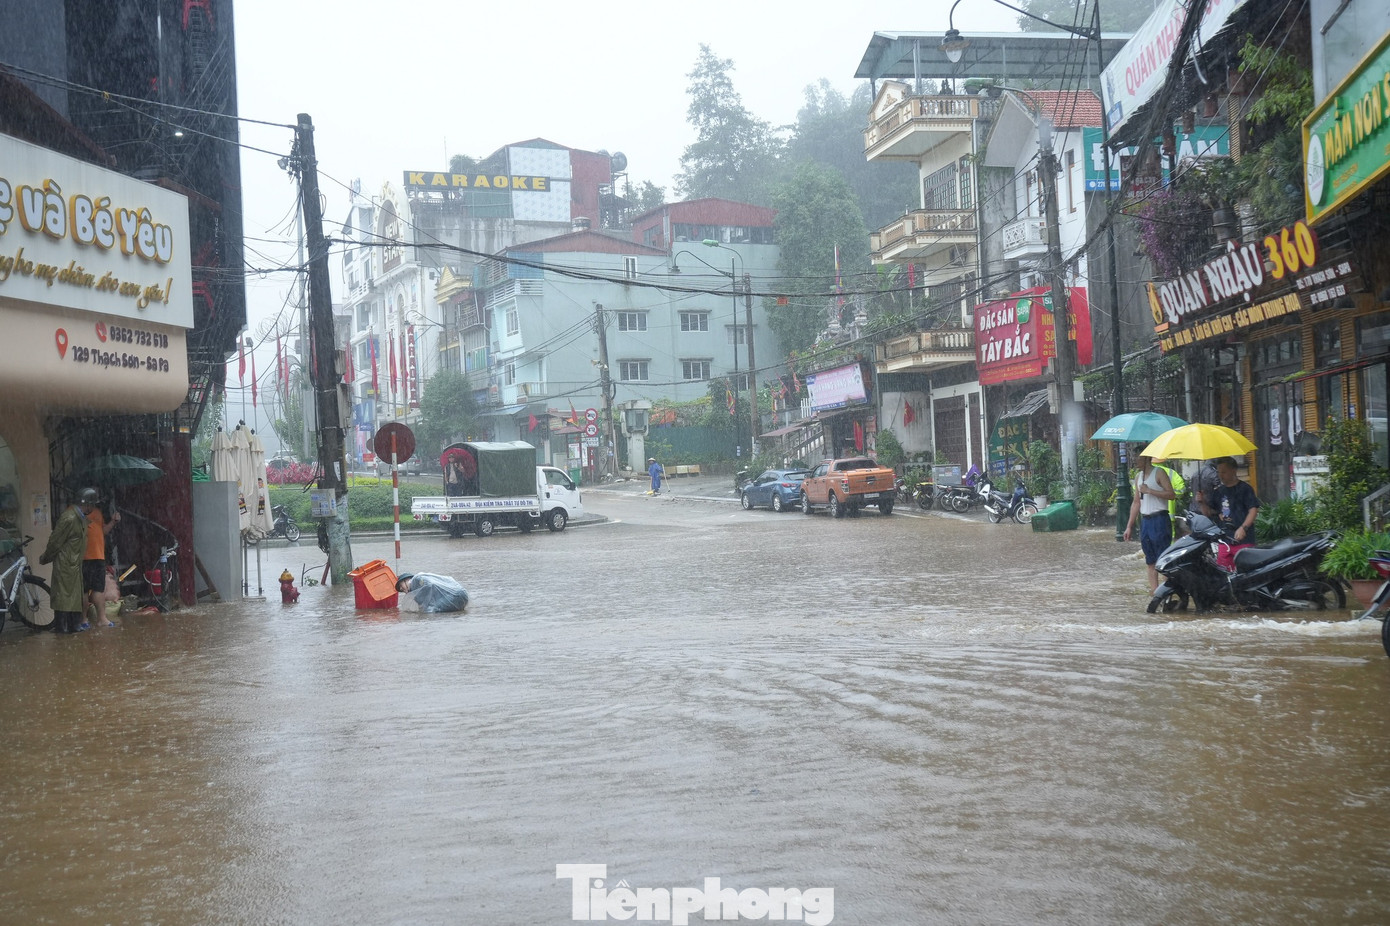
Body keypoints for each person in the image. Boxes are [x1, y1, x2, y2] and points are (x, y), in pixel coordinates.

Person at [40, 487, 98, 633]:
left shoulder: (80, 518)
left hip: (74, 565)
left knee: (72, 598)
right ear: (87, 504)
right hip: (65, 565)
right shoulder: (69, 518)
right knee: (63, 599)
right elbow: (55, 541)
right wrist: (46, 558)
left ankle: (73, 627)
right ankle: (63, 630)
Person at [1123, 453, 1175, 593]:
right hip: (1145, 521)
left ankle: (1167, 592)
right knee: (1150, 560)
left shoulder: (1159, 473)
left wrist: (1150, 491)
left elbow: (1171, 494)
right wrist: (1129, 526)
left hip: (1160, 519)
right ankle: (1155, 592)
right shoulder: (1138, 477)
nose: (1135, 461)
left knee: (1162, 559)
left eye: (1138, 458)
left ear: (1146, 459)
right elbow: (1136, 502)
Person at [1203, 456, 1261, 546]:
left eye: (1224, 472)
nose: (1220, 475)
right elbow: (1208, 513)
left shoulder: (1245, 489)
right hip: (1224, 541)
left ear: (1234, 470)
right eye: (1219, 472)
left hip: (1244, 540)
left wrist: (1243, 528)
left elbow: (1253, 510)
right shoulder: (1218, 491)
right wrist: (1201, 502)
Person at [83, 496, 120, 628]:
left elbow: (102, 531)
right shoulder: (74, 513)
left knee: (98, 588)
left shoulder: (97, 513)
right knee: (84, 590)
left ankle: (101, 619)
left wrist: (113, 522)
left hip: (98, 557)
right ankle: (83, 620)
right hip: (83, 557)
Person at [394, 572, 469, 613]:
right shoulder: (415, 590)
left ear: (407, 580)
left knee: (429, 612)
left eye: (401, 585)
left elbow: (430, 584)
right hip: (462, 595)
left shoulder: (416, 580)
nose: (401, 589)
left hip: (453, 597)